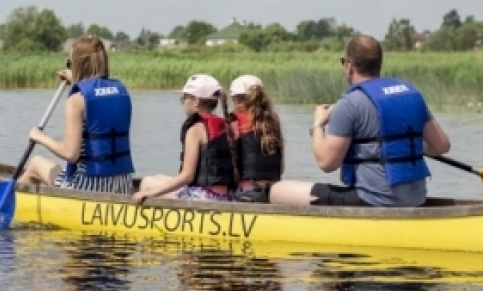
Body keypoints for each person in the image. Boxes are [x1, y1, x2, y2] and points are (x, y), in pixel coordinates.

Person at [270, 35, 451, 208]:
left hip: (373, 201)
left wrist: (318, 124)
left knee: (277, 191)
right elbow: (441, 146)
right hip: (416, 199)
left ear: (349, 66)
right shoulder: (412, 94)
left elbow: (326, 163)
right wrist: (405, 146)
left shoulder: (349, 104)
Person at [19, 35, 135, 194]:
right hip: (122, 186)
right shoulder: (121, 92)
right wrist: (75, 79)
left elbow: (70, 154)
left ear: (78, 64)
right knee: (58, 170)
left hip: (88, 188)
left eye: (71, 63)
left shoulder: (75, 101)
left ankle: (11, 209)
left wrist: (40, 137)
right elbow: (96, 93)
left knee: (36, 163)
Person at [133, 74, 238, 204]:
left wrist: (148, 193)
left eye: (184, 98)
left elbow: (187, 176)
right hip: (224, 195)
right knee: (157, 177)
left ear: (196, 100)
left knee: (147, 182)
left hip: (204, 196)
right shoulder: (225, 125)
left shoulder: (195, 130)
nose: (183, 102)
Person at [227, 75, 284, 201]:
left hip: (246, 190)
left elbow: (231, 167)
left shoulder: (233, 121)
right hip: (275, 190)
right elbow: (281, 167)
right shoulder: (274, 120)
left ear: (235, 99)